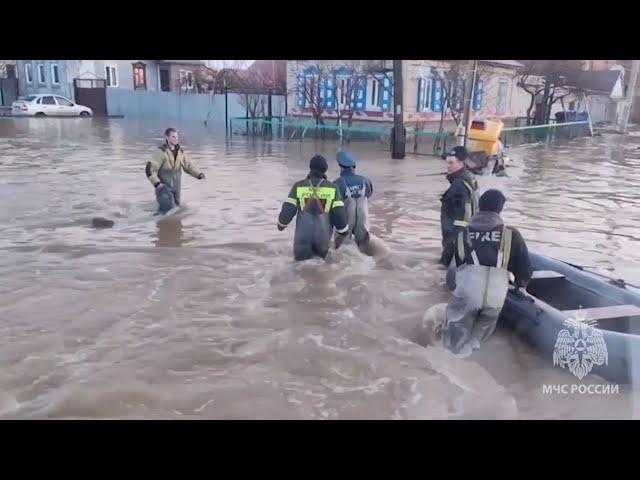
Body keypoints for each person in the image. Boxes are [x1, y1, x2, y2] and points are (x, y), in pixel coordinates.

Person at [442, 189, 532, 354]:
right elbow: (524, 269)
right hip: (495, 296)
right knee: (476, 341)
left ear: (479, 207)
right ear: (500, 209)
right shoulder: (511, 235)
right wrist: (520, 286)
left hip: (468, 291)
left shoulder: (462, 233)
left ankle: (446, 366)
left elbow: (448, 261)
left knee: (452, 339)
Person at [277, 155, 349, 261]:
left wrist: (281, 225)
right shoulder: (333, 188)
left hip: (302, 242)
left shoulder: (298, 186)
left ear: (310, 167)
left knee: (299, 270)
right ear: (325, 169)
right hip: (323, 242)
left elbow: (288, 209)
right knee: (322, 271)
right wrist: (343, 231)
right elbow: (338, 214)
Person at [146, 128, 205, 214]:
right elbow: (150, 169)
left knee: (176, 210)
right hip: (164, 188)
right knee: (166, 213)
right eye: (173, 137)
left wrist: (198, 174)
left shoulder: (180, 151)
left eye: (177, 136)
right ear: (167, 137)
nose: (176, 139)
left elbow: (187, 166)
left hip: (176, 188)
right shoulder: (161, 152)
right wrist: (156, 183)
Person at [439, 146, 479, 266]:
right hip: (468, 237)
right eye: (447, 163)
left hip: (455, 240)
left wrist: (451, 247)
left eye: (451, 163)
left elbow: (462, 218)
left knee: (444, 271)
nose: (448, 166)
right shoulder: (470, 177)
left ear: (461, 163)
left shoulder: (459, 186)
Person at [332, 151, 374, 255]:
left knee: (342, 249)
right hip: (363, 216)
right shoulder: (366, 181)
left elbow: (334, 205)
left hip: (346, 216)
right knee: (363, 247)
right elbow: (368, 195)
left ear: (340, 167)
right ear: (354, 167)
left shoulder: (338, 183)